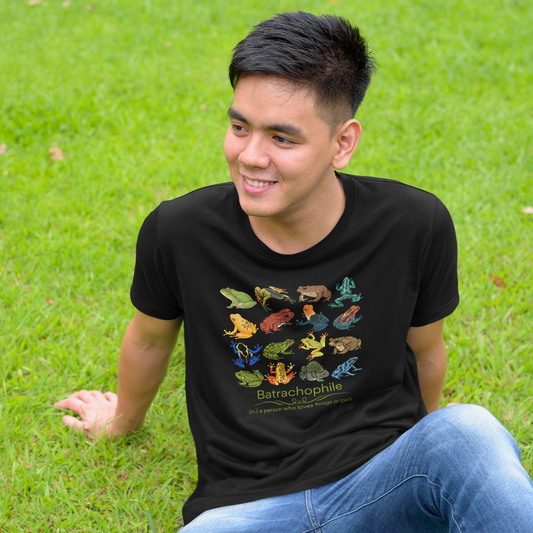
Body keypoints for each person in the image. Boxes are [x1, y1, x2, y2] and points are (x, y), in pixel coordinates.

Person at [55, 11, 533, 532]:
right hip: (244, 509)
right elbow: (149, 340)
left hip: (380, 482)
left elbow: (426, 350)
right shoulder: (180, 230)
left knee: (466, 429)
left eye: (283, 139)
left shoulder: (413, 224)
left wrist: (423, 452)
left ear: (342, 143)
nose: (250, 156)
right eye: (240, 127)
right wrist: (121, 422)